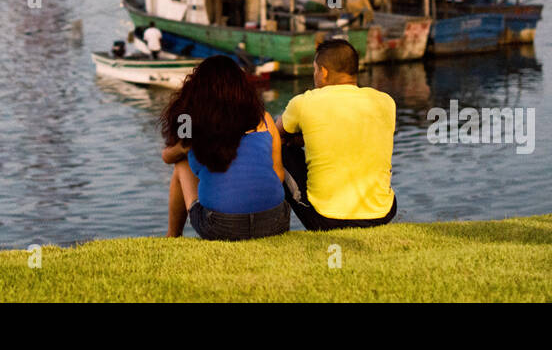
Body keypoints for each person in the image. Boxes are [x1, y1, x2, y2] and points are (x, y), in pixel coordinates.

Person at [161, 55, 290, 240]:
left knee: (180, 163)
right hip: (275, 222)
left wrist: (183, 148)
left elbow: (168, 157)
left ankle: (173, 235)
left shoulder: (189, 119)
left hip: (221, 227)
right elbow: (278, 175)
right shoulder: (264, 119)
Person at [276, 38, 397, 230]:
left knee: (278, 147)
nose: (315, 75)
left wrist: (296, 139)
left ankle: (272, 222)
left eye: (315, 70)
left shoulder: (305, 102)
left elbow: (276, 133)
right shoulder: (386, 102)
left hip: (326, 219)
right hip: (383, 213)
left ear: (323, 71)